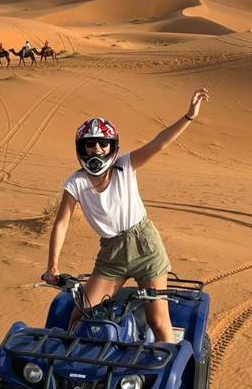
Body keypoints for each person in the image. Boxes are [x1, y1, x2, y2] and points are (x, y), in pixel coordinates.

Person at [43, 89, 210, 343]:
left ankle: (168, 381)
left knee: (159, 321)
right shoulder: (75, 182)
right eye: (90, 144)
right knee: (80, 315)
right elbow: (62, 223)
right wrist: (52, 266)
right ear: (82, 147)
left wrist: (189, 116)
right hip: (111, 255)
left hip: (145, 246)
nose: (97, 149)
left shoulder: (124, 165)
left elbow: (158, 143)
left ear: (112, 146)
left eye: (103, 143)